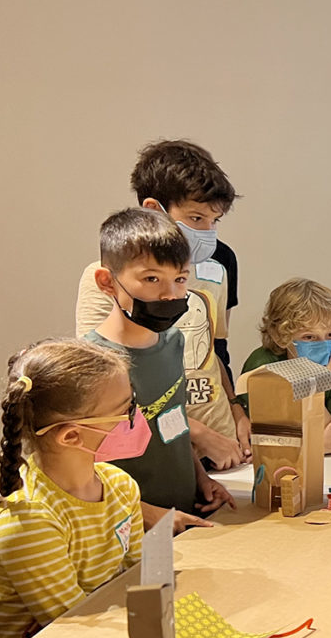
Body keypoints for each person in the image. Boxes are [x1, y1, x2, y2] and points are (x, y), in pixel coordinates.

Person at [74, 139, 248, 471]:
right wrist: (197, 433)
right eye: (196, 218)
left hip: (223, 446)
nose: (207, 233)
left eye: (214, 221)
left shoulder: (221, 262)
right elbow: (102, 379)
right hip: (153, 450)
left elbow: (216, 348)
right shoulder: (111, 278)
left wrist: (237, 410)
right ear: (155, 209)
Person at [0, 339, 144, 638]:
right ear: (72, 436)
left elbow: (140, 580)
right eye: (125, 411)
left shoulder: (120, 486)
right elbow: (75, 625)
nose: (136, 418)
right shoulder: (29, 521)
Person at [84, 208, 235, 533]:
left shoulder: (173, 343)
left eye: (179, 279)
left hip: (184, 517)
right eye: (151, 279)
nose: (170, 295)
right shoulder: (91, 364)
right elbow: (80, 474)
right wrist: (150, 515)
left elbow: (173, 423)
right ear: (107, 282)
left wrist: (201, 480)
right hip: (126, 532)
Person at [241, 278, 331, 454]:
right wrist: (316, 446)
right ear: (280, 337)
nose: (323, 345)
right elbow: (265, 434)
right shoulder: (263, 366)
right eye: (309, 337)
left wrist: (319, 380)